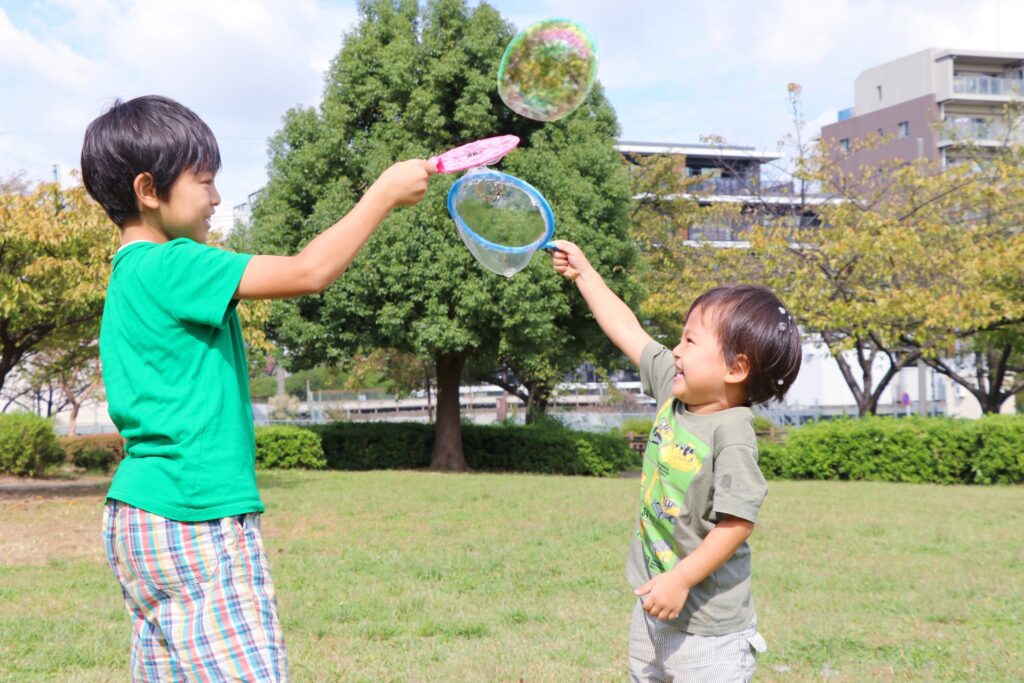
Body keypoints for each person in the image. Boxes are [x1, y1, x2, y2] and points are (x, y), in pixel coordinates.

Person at [81, 94, 434, 681]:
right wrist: (384, 194)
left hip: (139, 517)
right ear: (149, 190)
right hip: (196, 515)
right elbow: (308, 272)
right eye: (205, 181)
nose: (217, 198)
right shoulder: (173, 264)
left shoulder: (128, 277)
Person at [551, 240, 801, 682]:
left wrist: (681, 579)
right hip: (654, 604)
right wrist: (585, 275)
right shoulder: (676, 387)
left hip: (709, 632)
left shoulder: (732, 433)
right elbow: (629, 331)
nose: (676, 350)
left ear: (736, 368)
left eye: (689, 340)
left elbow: (737, 522)